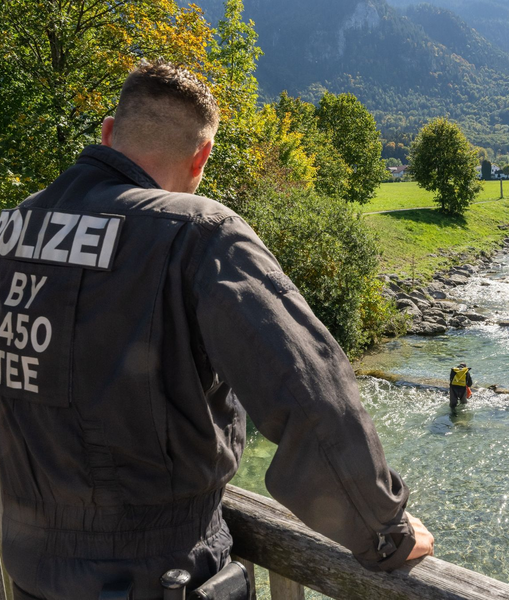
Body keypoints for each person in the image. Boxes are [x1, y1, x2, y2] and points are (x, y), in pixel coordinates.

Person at [0, 60, 433, 600]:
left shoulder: (10, 229)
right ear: (202, 155)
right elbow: (310, 388)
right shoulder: (199, 233)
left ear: (109, 134)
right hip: (162, 573)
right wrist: (383, 530)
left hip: (30, 569)